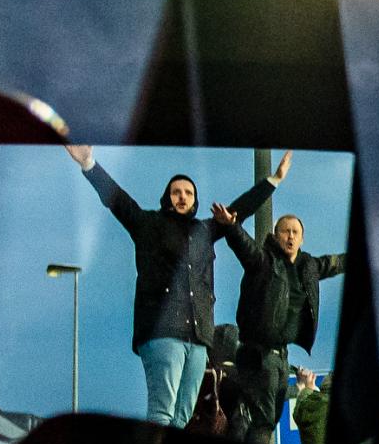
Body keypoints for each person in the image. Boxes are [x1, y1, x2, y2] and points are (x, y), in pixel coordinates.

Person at [67, 144, 283, 426]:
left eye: (188, 193)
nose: (183, 197)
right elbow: (118, 201)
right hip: (163, 331)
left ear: (195, 200)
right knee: (162, 410)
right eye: (177, 192)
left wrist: (273, 180)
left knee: (182, 416)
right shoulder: (149, 224)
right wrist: (89, 164)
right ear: (167, 197)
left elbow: (239, 210)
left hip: (199, 336)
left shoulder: (205, 230)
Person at [209, 203, 346, 444]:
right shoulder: (264, 261)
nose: (290, 236)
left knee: (267, 421)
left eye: (295, 232)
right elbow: (244, 246)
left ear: (302, 238)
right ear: (275, 235)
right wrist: (230, 225)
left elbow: (334, 263)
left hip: (281, 357)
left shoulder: (308, 267)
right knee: (262, 422)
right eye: (285, 231)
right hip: (258, 354)